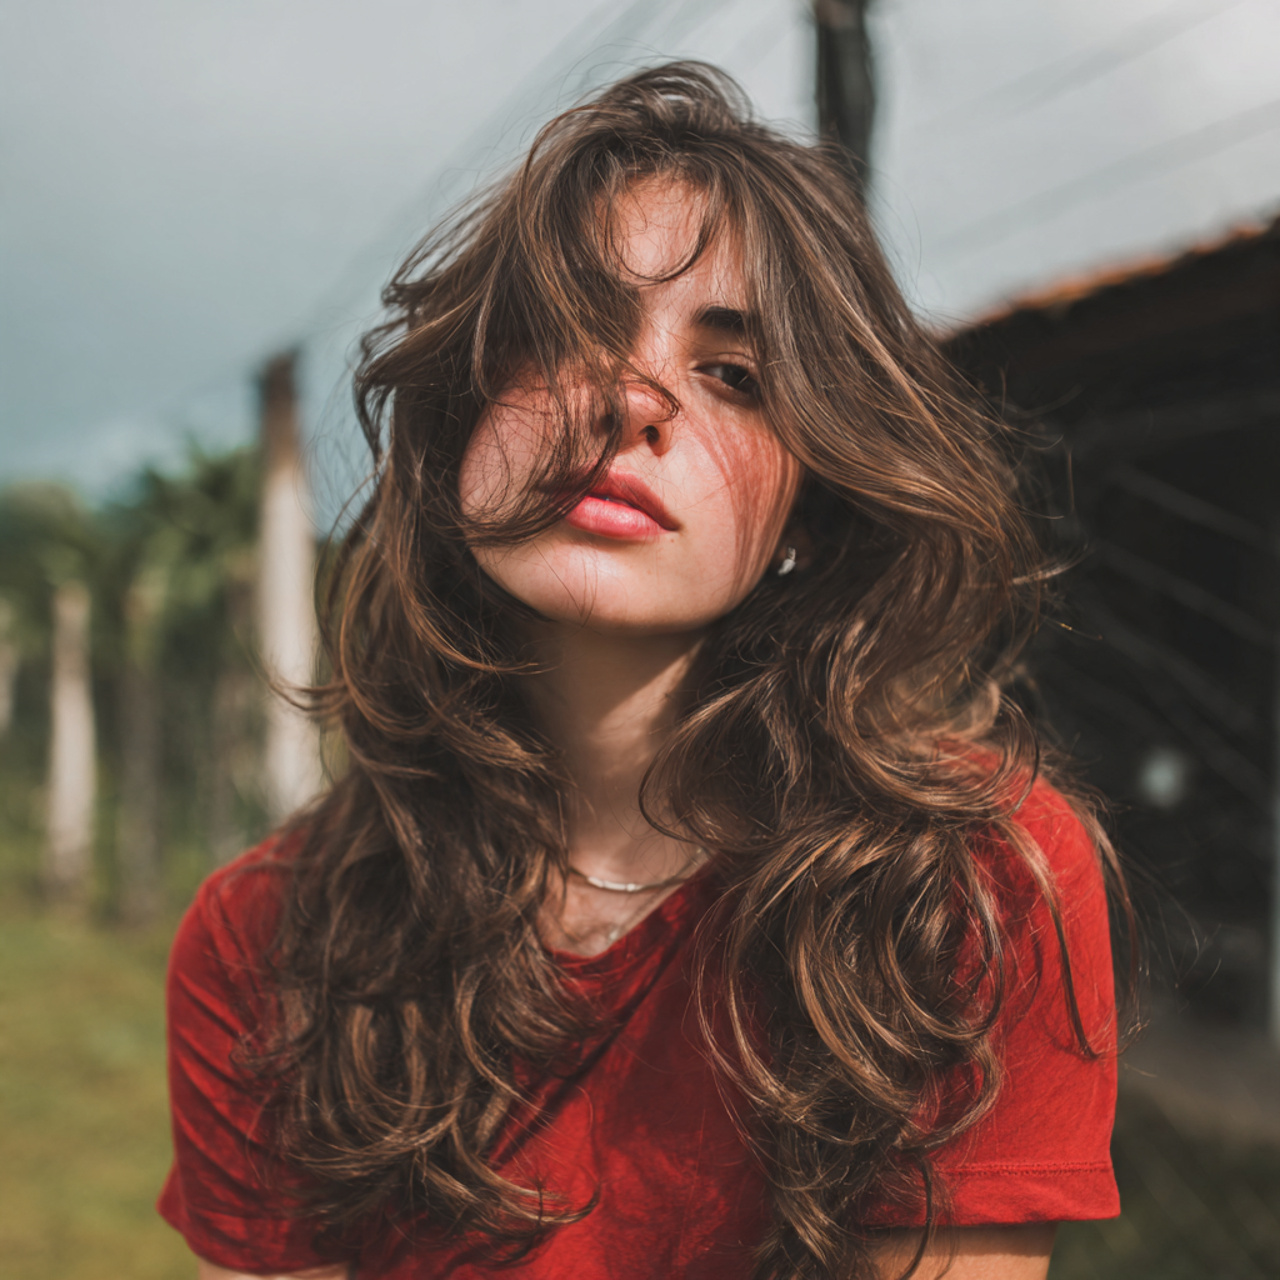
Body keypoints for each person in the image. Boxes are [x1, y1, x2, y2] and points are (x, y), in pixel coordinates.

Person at [159, 63, 1127, 1280]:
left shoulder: (969, 881)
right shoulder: (268, 935)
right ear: (457, 416)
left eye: (734, 375)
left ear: (812, 511)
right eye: (564, 333)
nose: (632, 399)